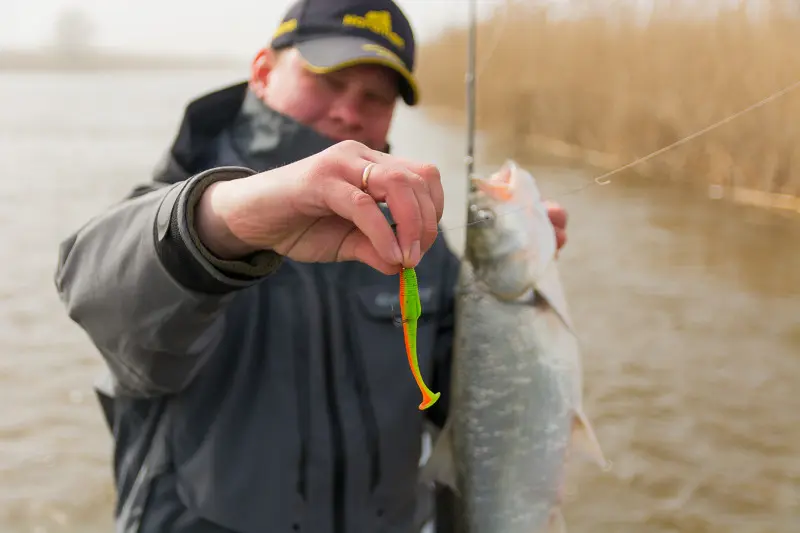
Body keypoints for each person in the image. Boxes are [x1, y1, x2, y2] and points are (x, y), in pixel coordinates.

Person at [54, 0, 569, 531]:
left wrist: (510, 303)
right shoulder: (177, 206)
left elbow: (467, 396)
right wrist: (229, 220)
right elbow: (94, 293)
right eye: (328, 79)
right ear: (262, 71)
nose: (350, 111)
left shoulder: (420, 247)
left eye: (375, 96)